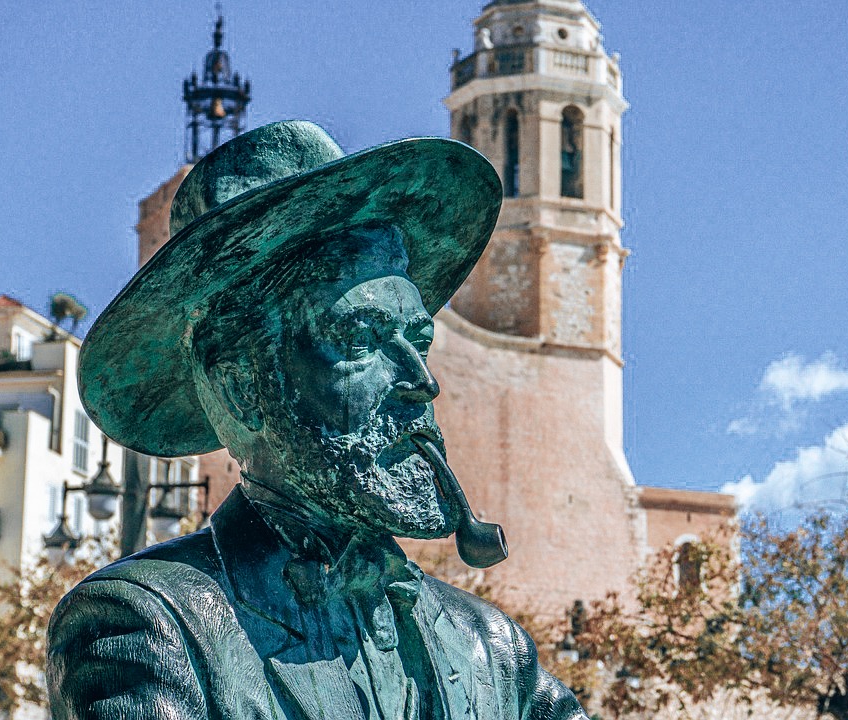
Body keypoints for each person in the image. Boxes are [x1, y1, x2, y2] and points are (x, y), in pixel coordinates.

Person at [46, 120, 588, 720]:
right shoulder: (146, 626)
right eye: (362, 340)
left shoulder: (497, 655)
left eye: (418, 341)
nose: (420, 381)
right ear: (240, 386)